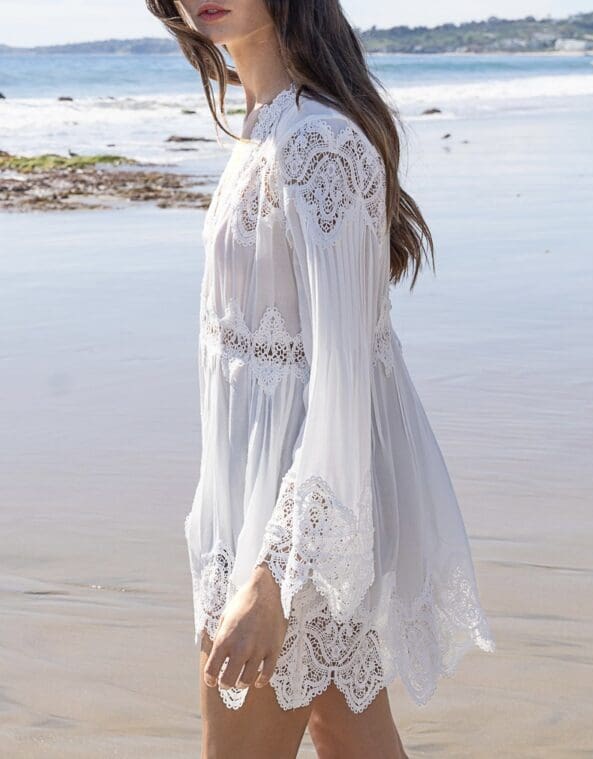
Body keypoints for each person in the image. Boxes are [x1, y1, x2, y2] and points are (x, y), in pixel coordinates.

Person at [147, 2, 496, 757]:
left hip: (296, 531)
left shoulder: (319, 144)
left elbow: (343, 387)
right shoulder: (266, 130)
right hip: (261, 512)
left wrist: (272, 580)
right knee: (349, 732)